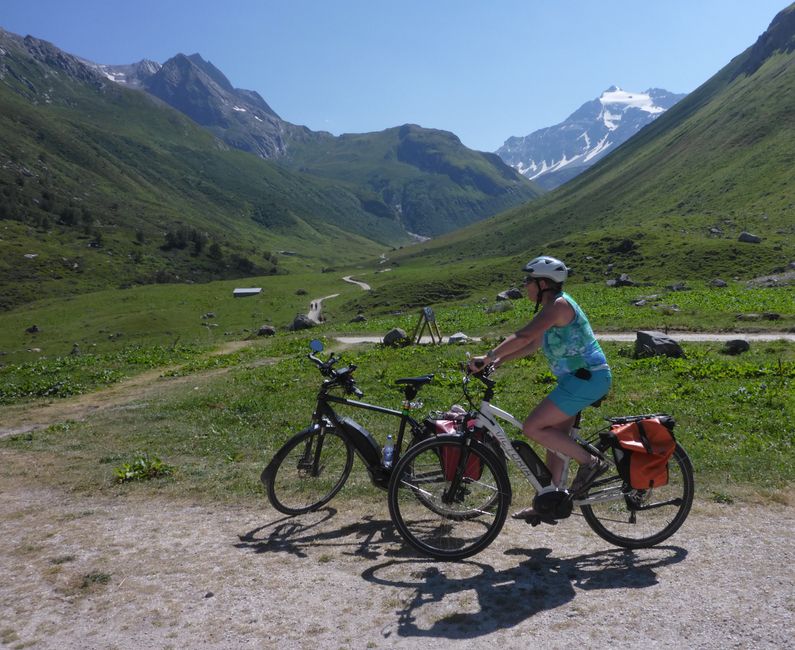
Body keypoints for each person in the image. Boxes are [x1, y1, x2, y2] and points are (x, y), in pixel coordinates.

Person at [469, 255, 612, 519]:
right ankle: (550, 500)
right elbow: (532, 344)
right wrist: (497, 362)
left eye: (529, 281)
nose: (526, 286)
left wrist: (486, 357)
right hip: (578, 380)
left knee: (533, 427)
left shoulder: (559, 306)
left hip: (588, 378)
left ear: (543, 283)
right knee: (554, 440)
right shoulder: (551, 309)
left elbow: (522, 335)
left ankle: (590, 463)